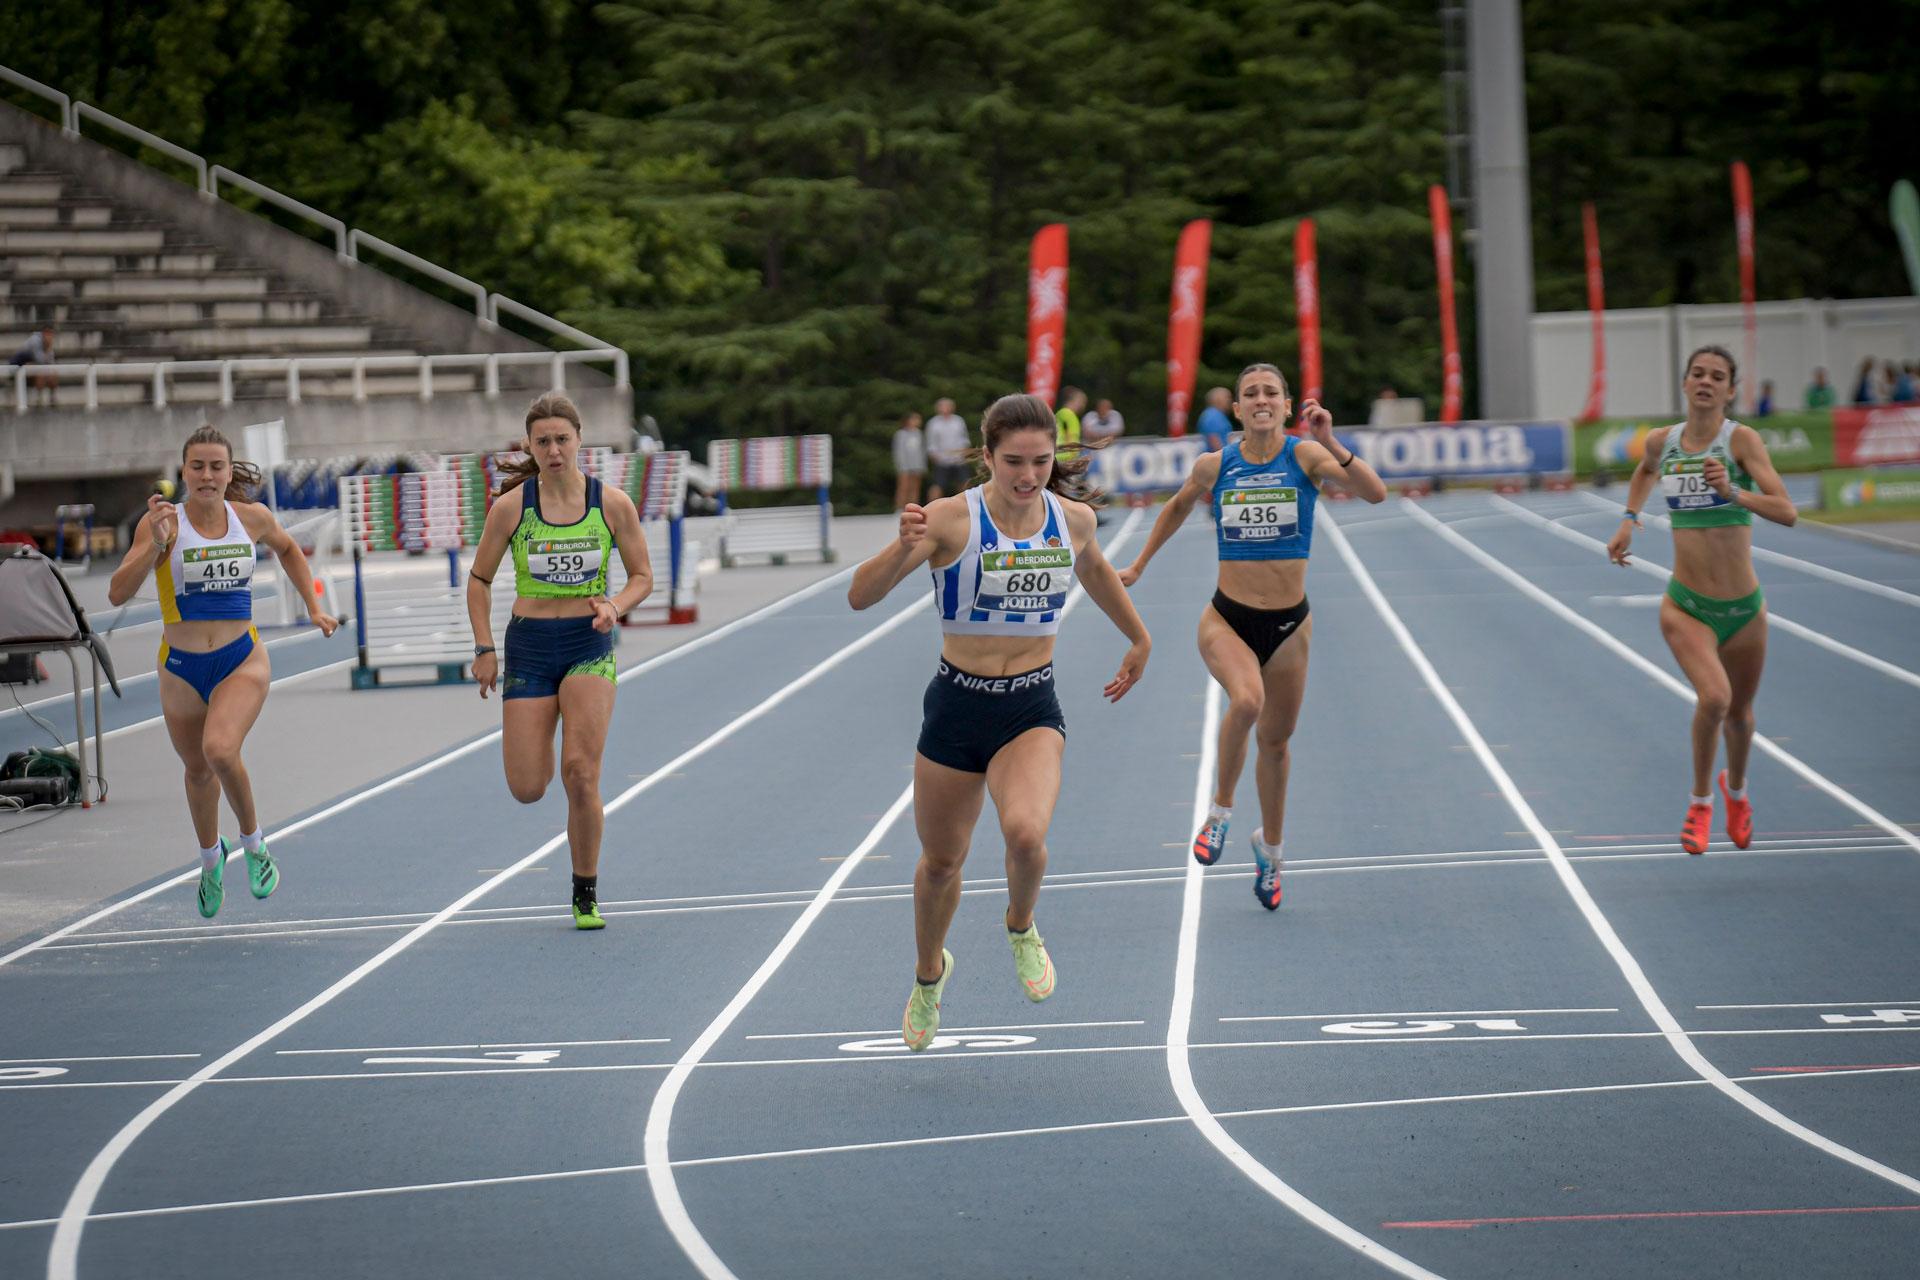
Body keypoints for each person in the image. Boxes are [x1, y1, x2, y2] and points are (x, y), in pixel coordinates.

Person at [849, 392, 1151, 1051]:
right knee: (940, 862)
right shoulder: (948, 520)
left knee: (1025, 835)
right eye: (1013, 461)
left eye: (1041, 462)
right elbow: (860, 597)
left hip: (1029, 706)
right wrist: (901, 550)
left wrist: (1139, 637)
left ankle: (1021, 925)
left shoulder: (1070, 520)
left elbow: (1095, 570)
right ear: (986, 458)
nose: (1028, 475)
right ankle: (930, 976)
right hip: (957, 706)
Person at [1119, 363, 1386, 910]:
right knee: (1247, 700)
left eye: (1271, 392)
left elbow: (1375, 493)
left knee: (1276, 743)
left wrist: (1331, 440)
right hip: (1228, 619)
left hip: (1290, 626)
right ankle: (1219, 813)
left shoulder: (1305, 456)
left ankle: (1271, 850)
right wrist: (1140, 565)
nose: (1261, 399)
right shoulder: (1217, 465)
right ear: (1236, 410)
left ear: (1286, 406)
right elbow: (1174, 508)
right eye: (1250, 394)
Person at [106, 425, 340, 917]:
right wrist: (155, 548)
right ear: (183, 472)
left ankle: (255, 845)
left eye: (216, 466)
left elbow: (290, 549)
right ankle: (211, 859)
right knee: (196, 771)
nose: (207, 476)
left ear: (229, 472)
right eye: (198, 466)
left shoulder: (250, 518)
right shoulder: (160, 524)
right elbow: (116, 593)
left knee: (219, 749)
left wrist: (313, 606)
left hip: (240, 658)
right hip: (181, 667)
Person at [467, 392, 654, 929]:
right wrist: (484, 649)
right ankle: (542, 731)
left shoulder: (611, 504)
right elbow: (479, 581)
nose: (553, 450)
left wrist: (614, 606)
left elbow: (643, 576)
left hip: (587, 644)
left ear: (579, 441)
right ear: (529, 445)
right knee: (528, 787)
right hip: (528, 644)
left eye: (561, 439)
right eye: (542, 441)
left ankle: (585, 891)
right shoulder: (513, 508)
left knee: (581, 772)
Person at [1606, 346, 1796, 856]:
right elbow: (1646, 470)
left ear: (1731, 390)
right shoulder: (1661, 442)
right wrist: (1629, 518)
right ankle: (1699, 802)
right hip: (1687, 604)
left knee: (1741, 715)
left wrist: (1734, 492)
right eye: (1698, 374)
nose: (1706, 382)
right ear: (1686, 384)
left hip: (1744, 609)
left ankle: (1736, 793)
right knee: (1715, 699)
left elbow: (1786, 510)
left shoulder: (1742, 442)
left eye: (1718, 376)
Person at [925, 397, 971, 500]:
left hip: (959, 459)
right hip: (941, 460)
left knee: (964, 484)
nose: (946, 409)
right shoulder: (933, 423)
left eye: (948, 406)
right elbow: (931, 443)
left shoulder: (959, 421)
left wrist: (965, 452)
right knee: (937, 485)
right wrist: (934, 456)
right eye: (943, 406)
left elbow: (964, 438)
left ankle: (965, 508)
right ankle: (932, 509)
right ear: (938, 408)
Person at [7, 325, 57, 406]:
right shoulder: (35, 341)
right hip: (18, 366)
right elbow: (40, 360)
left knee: (53, 374)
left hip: (31, 365)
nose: (50, 337)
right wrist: (48, 348)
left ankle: (52, 398)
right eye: (48, 334)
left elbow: (51, 362)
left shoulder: (48, 343)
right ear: (44, 333)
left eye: (51, 334)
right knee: (41, 373)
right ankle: (39, 398)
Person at [892, 411, 926, 511]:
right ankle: (899, 507)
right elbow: (899, 451)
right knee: (903, 487)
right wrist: (901, 465)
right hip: (905, 465)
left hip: (917, 465)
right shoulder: (901, 434)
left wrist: (922, 465)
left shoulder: (919, 434)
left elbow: (922, 451)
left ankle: (913, 508)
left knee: (915, 487)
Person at [1195, 386, 1233, 452]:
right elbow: (1213, 439)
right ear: (1217, 399)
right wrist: (1225, 457)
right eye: (1227, 397)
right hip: (1216, 457)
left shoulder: (1216, 414)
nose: (1230, 400)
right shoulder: (1213, 416)